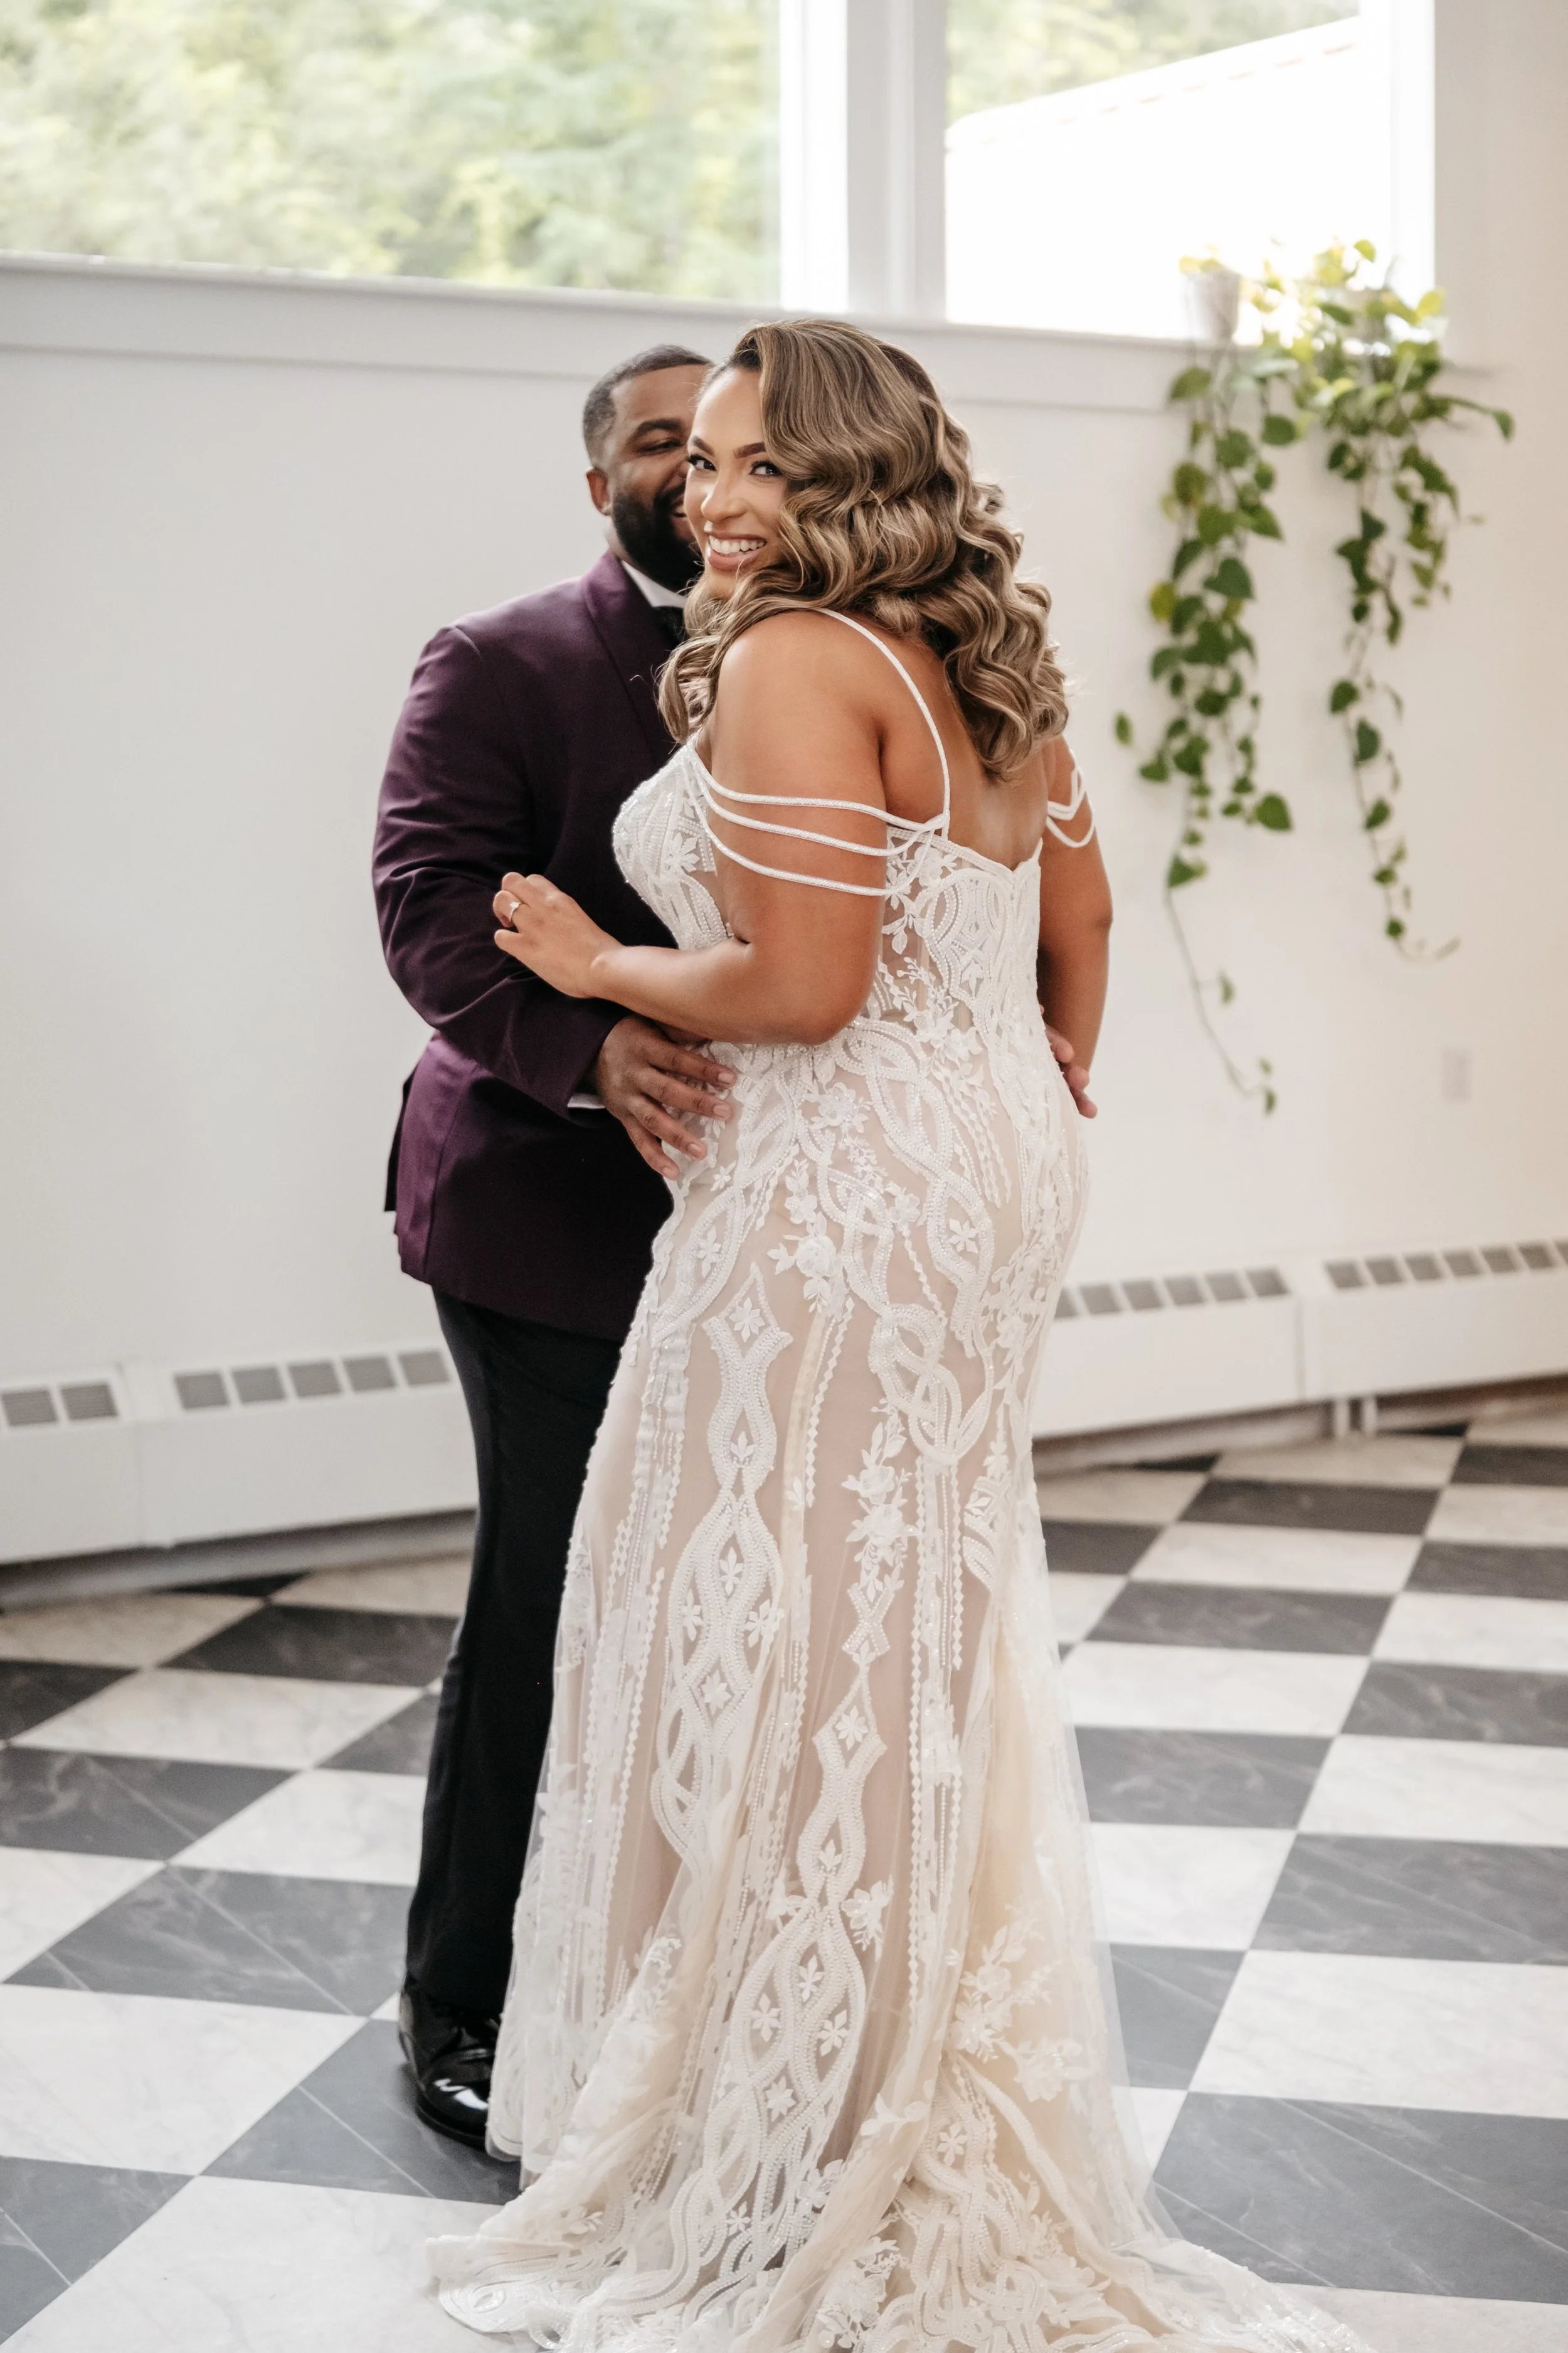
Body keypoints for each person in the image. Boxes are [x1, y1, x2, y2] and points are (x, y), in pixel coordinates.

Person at [430, 321, 1369, 2352]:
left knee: (763, 1610)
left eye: (757, 458)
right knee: (888, 1616)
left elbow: (805, 987)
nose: (713, 488)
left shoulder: (791, 659)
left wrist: (602, 962)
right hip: (976, 1173)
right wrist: (1032, 1096)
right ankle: (864, 2050)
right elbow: (1079, 934)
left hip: (841, 1183)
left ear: (849, 472)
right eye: (707, 461)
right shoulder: (990, 664)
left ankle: (799, 2101)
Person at [374, 343, 741, 2147]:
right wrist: (588, 1048)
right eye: (657, 440)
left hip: (759, 1223)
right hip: (540, 1214)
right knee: (547, 1601)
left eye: (721, 440)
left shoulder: (812, 655)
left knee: (715, 1611)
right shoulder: (501, 659)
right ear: (597, 479)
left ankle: (672, 1968)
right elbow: (426, 913)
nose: (692, 467)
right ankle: (466, 2000)